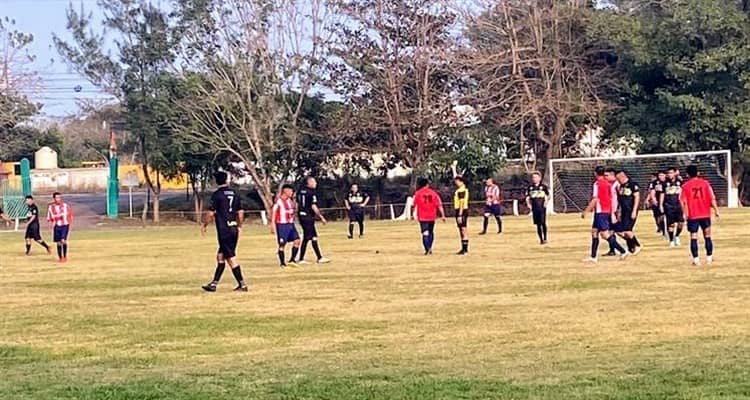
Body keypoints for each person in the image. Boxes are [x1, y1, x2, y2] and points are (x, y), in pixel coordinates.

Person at [200, 172, 248, 292]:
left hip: (224, 230)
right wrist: (239, 225)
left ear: (216, 181)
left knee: (231, 258)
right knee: (220, 256)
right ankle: (214, 284)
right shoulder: (235, 193)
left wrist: (204, 224)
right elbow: (240, 212)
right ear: (226, 180)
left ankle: (242, 284)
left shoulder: (217, 195)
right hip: (233, 228)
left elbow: (210, 213)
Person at [581, 166, 628, 263]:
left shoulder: (597, 184)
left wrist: (586, 211)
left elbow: (595, 199)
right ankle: (593, 257)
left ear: (595, 173)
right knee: (594, 232)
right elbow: (610, 198)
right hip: (606, 211)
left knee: (604, 234)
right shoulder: (608, 184)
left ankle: (623, 251)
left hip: (600, 211)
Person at [680, 165, 720, 266]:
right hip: (705, 213)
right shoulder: (706, 183)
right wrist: (716, 210)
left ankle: (696, 260)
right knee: (707, 236)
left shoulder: (685, 186)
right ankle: (709, 258)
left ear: (687, 175)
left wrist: (685, 213)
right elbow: (712, 197)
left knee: (694, 237)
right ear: (698, 173)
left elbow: (683, 201)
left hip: (693, 215)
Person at [296, 177, 331, 265]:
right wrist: (321, 216)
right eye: (314, 182)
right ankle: (304, 258)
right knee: (308, 237)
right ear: (309, 183)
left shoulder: (300, 191)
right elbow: (313, 206)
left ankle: (318, 257)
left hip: (302, 216)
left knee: (311, 236)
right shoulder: (311, 193)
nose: (316, 183)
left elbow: (296, 204)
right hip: (307, 216)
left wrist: (296, 214)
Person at [412, 178, 447, 255]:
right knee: (431, 232)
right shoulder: (433, 193)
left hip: (422, 216)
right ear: (427, 184)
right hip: (431, 215)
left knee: (425, 232)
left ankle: (427, 249)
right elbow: (439, 205)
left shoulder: (418, 193)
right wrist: (443, 215)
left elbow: (413, 205)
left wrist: (412, 214)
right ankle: (430, 247)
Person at [272, 184, 301, 268]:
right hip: (282, 225)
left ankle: (292, 259)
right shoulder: (278, 202)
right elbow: (273, 215)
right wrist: (273, 226)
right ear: (286, 191)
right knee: (282, 244)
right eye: (291, 191)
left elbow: (293, 210)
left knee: (297, 240)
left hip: (290, 224)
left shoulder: (289, 201)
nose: (292, 193)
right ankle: (282, 263)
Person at [613, 170, 643, 255]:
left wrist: (634, 210)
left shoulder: (633, 184)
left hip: (631, 210)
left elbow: (637, 197)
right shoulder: (620, 186)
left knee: (627, 230)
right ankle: (631, 248)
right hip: (624, 211)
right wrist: (619, 211)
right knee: (620, 231)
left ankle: (637, 245)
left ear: (623, 176)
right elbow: (620, 200)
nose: (618, 180)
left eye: (619, 178)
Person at [47, 192, 73, 263]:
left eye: (59, 197)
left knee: (63, 241)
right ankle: (60, 258)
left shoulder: (65, 206)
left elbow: (70, 214)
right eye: (57, 198)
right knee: (58, 243)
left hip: (64, 225)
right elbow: (49, 218)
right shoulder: (51, 207)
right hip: (56, 226)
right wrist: (50, 226)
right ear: (54, 198)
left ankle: (65, 256)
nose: (58, 199)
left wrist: (70, 222)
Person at [661, 167, 684, 247]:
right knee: (671, 224)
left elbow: (683, 193)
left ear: (675, 173)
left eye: (671, 173)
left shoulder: (680, 182)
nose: (670, 174)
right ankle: (671, 240)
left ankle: (677, 236)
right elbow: (662, 194)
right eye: (668, 173)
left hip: (678, 205)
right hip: (669, 205)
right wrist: (661, 204)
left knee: (681, 222)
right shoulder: (664, 183)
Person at [525, 172, 549, 245]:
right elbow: (527, 197)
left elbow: (548, 195)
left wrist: (546, 202)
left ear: (539, 178)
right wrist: (529, 204)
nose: (534, 179)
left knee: (543, 223)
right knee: (538, 224)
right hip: (534, 208)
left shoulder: (543, 187)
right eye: (533, 177)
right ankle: (541, 239)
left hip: (542, 207)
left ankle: (545, 238)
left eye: (535, 177)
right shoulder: (530, 187)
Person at [453, 175, 470, 255]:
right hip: (461, 211)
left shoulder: (461, 190)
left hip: (461, 211)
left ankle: (465, 249)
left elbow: (462, 203)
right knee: (461, 229)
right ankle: (463, 248)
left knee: (463, 230)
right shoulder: (461, 189)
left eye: (457, 181)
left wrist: (460, 214)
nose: (456, 183)